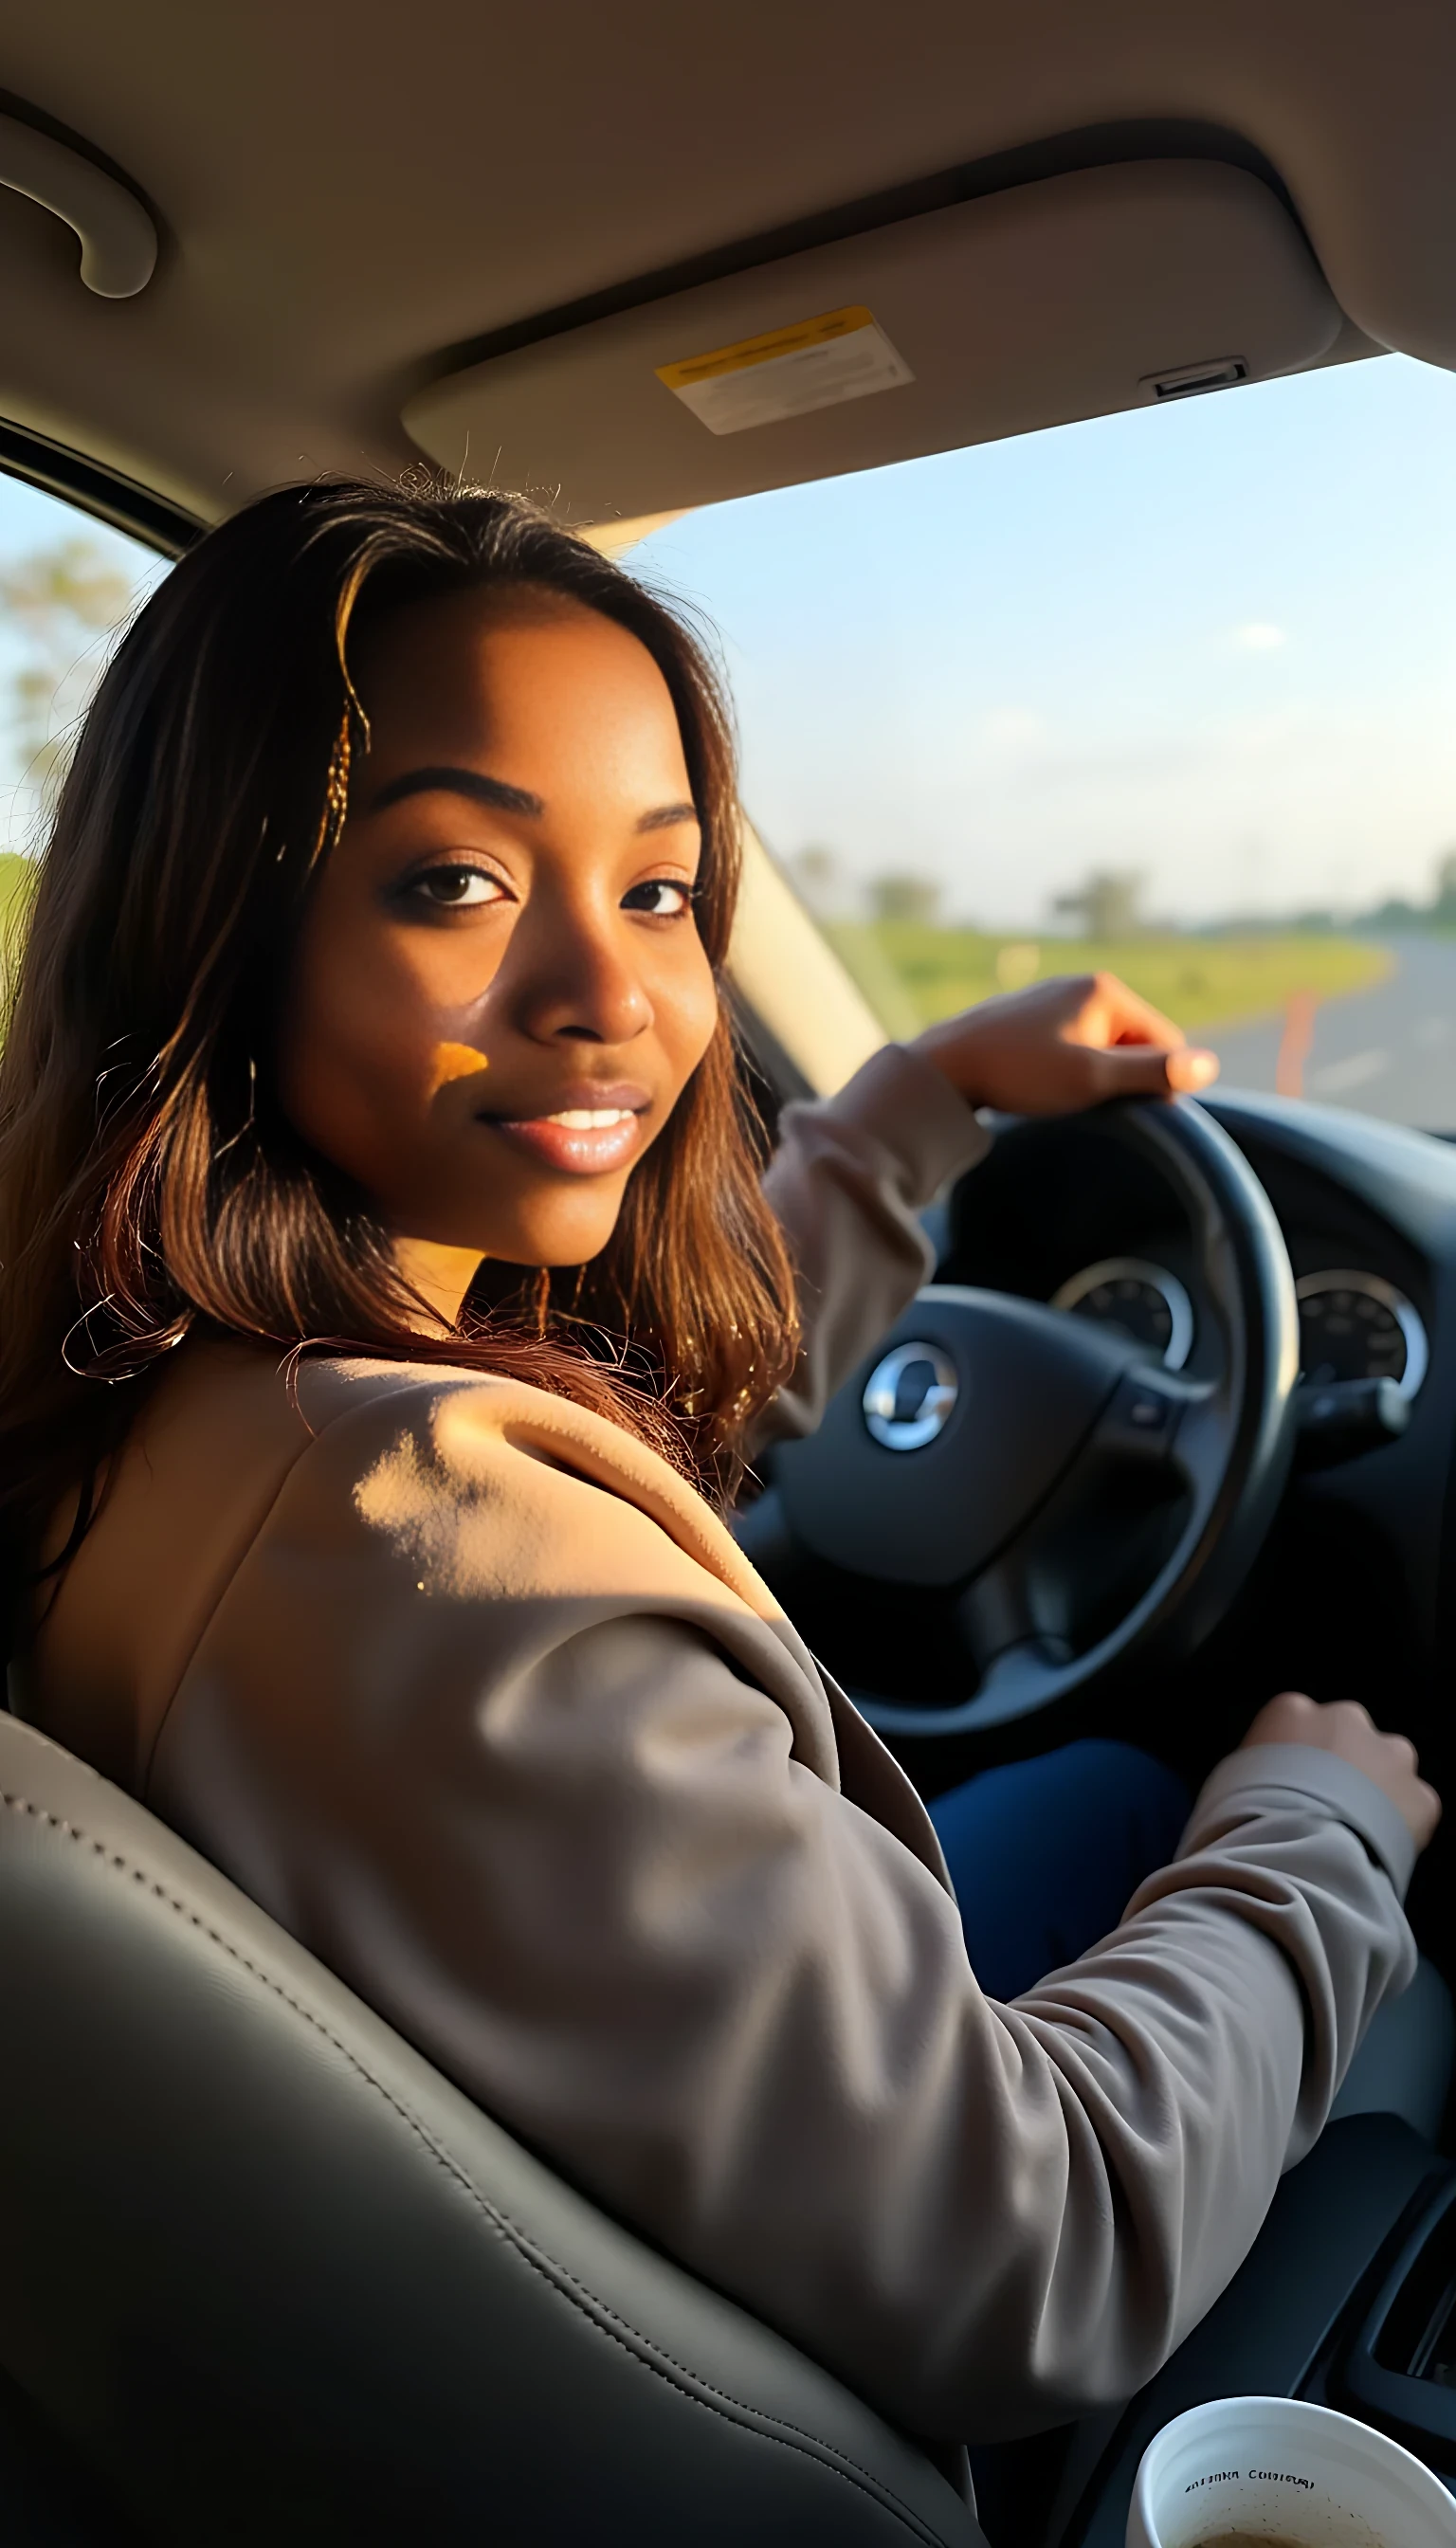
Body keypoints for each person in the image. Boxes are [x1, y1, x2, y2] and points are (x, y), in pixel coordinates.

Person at [0, 481, 1435, 2448]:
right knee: (1173, 1814)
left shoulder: (196, 1389)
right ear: (215, 927)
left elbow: (651, 1428)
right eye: (455, 883)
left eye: (660, 890)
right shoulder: (424, 1543)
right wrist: (1314, 1836)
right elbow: (1046, 2245)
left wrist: (922, 1107)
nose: (615, 1001)